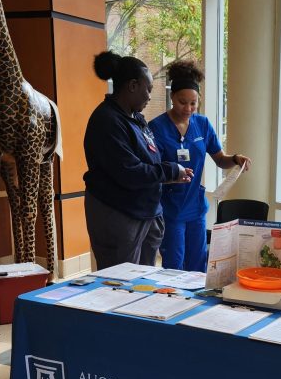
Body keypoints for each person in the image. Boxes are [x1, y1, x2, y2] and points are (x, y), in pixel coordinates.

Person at [84, 52, 194, 269]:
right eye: (148, 89)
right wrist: (170, 171)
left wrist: (169, 176)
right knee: (120, 285)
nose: (150, 97)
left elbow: (149, 161)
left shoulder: (136, 119)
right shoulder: (107, 121)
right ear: (133, 86)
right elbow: (129, 172)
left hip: (146, 213)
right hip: (119, 215)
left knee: (143, 283)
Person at [150, 60, 252, 271]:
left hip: (195, 207)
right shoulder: (157, 127)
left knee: (198, 264)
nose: (188, 108)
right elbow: (153, 170)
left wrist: (235, 159)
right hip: (171, 208)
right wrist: (173, 175)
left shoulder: (202, 124)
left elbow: (220, 159)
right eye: (182, 102)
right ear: (172, 97)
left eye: (193, 103)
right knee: (174, 266)